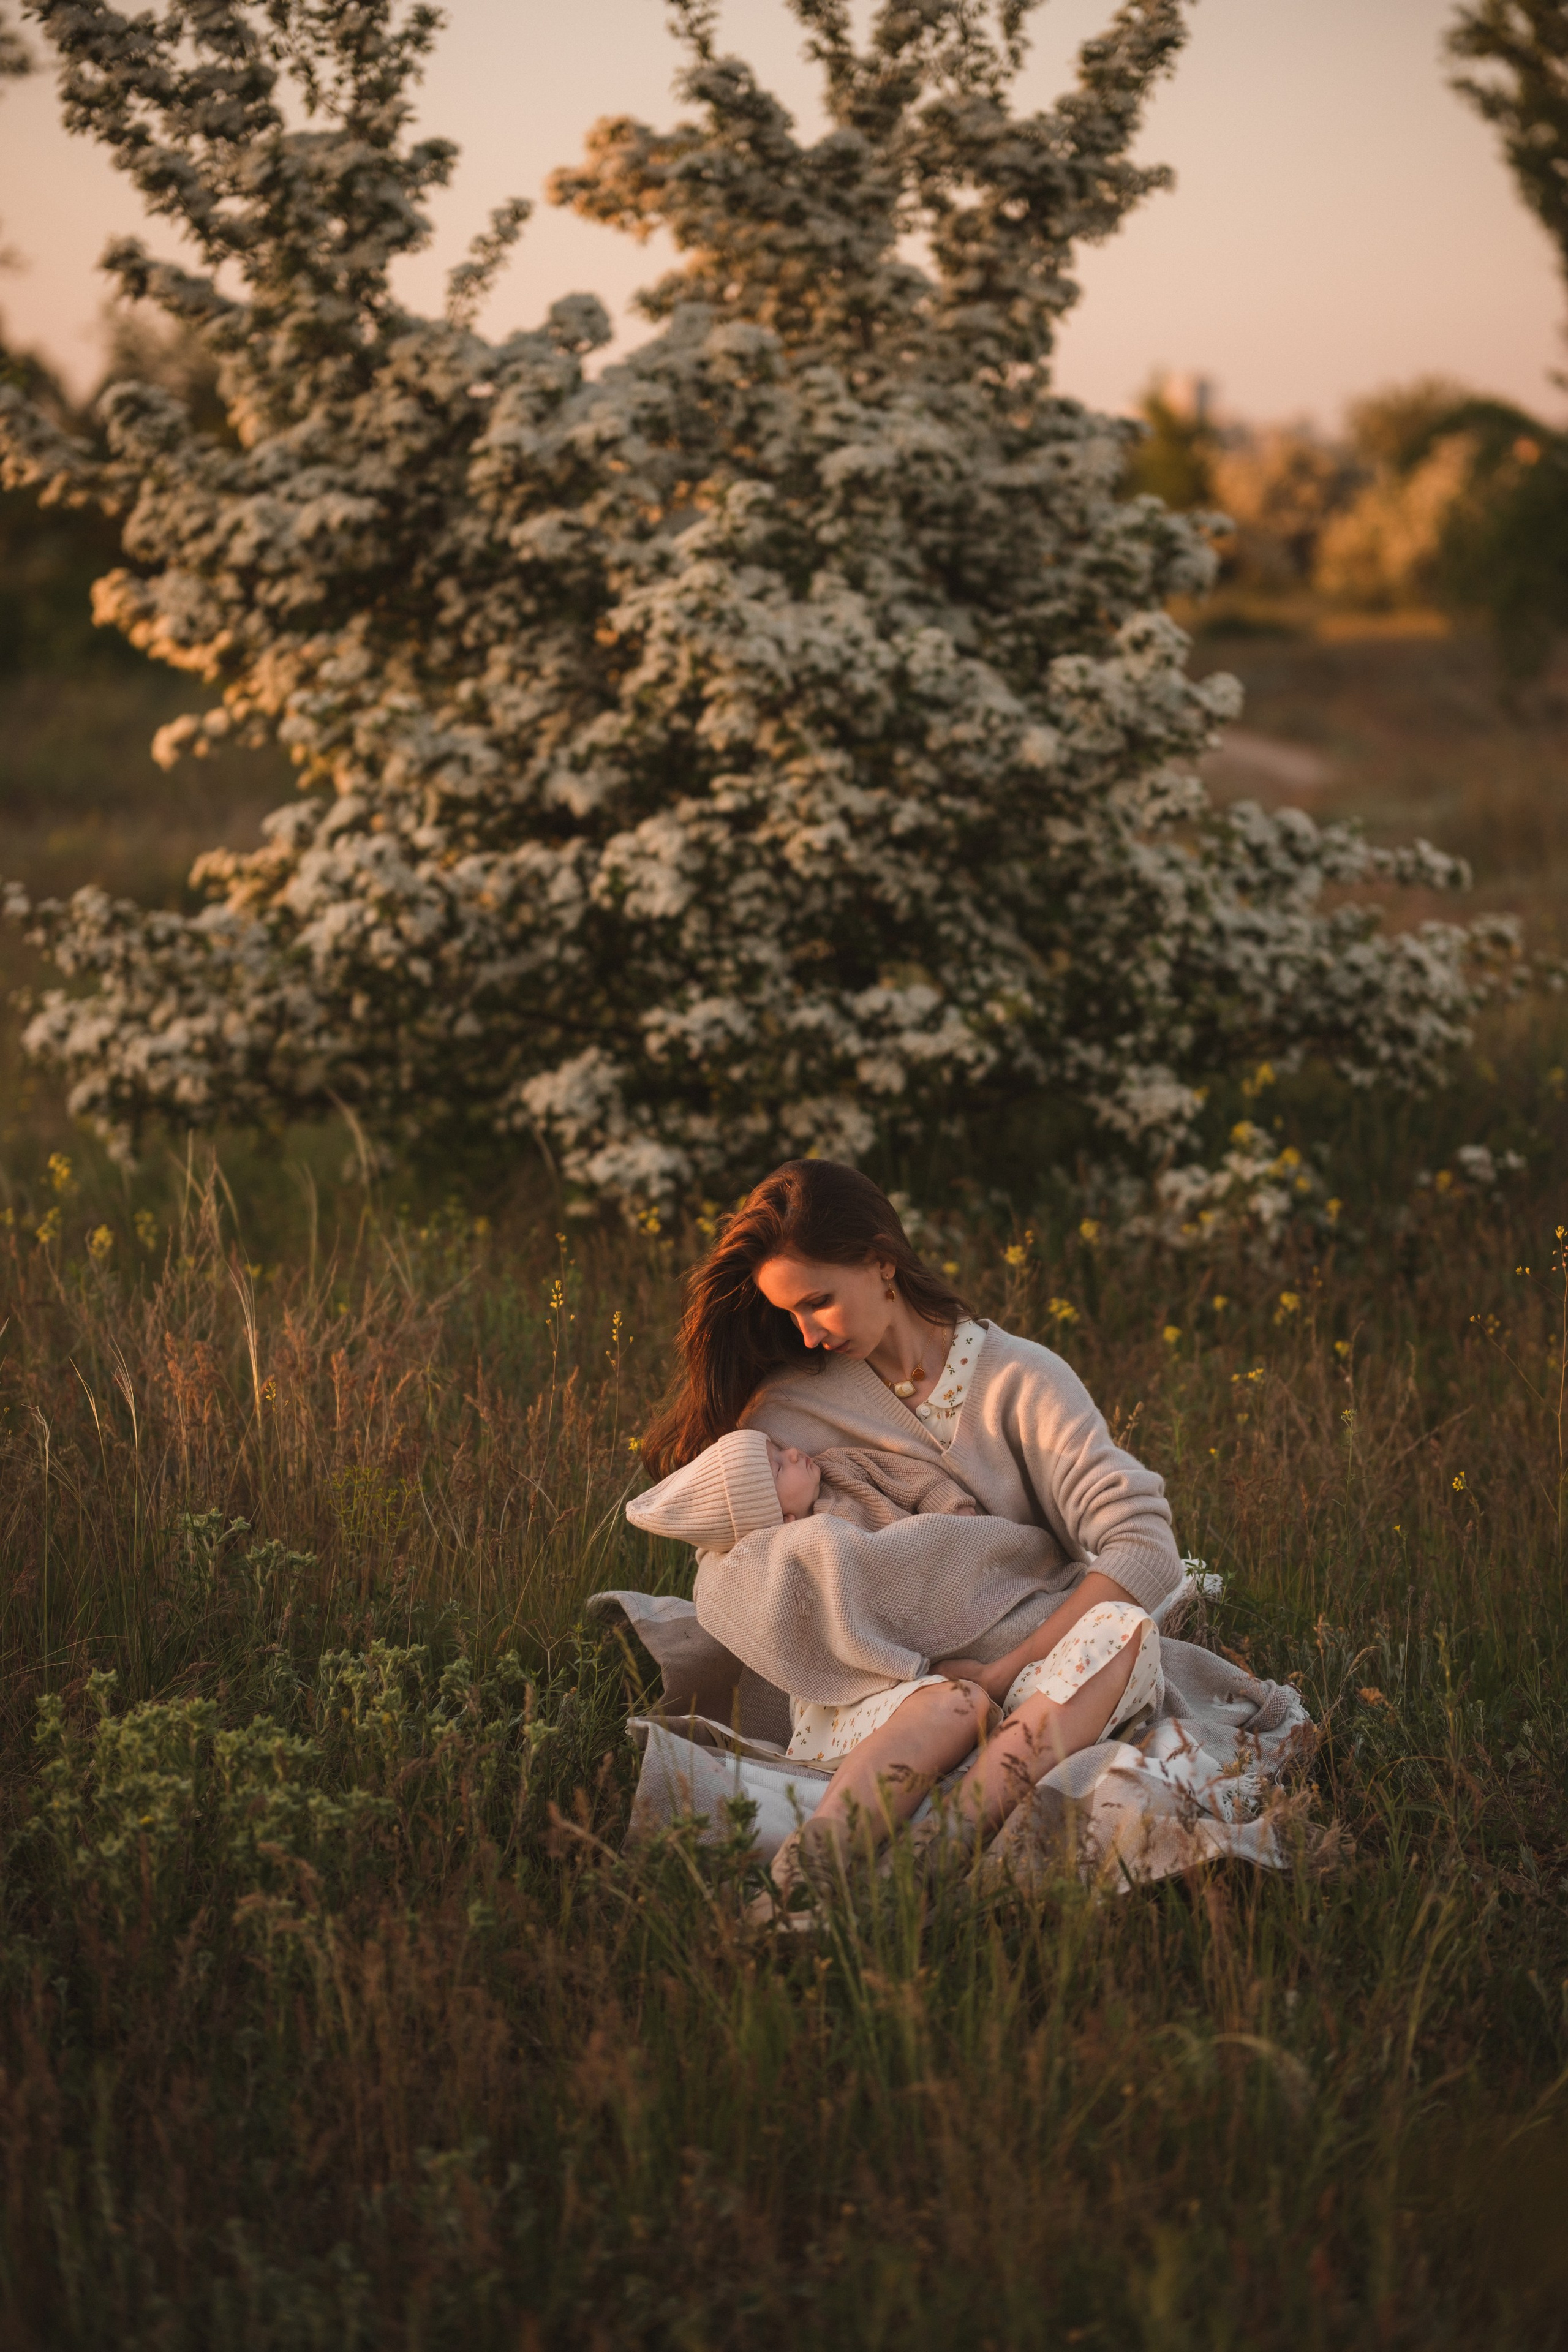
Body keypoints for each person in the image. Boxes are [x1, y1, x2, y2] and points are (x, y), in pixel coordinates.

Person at [638, 1160, 1181, 1893]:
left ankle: (952, 1840)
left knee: (1122, 1629)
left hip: (1031, 1662)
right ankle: (837, 1846)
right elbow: (738, 1562)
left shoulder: (1021, 1380)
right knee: (935, 1706)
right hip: (881, 1685)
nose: (805, 1331)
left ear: (881, 1262)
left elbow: (1143, 1547)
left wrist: (1001, 1668)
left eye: (819, 1303)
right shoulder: (789, 1412)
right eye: (789, 1314)